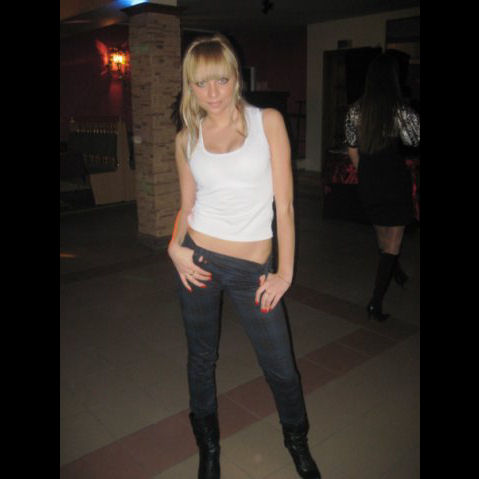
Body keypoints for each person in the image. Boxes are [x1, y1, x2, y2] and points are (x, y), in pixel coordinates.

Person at [167, 33, 321, 479]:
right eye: (200, 83)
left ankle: (297, 442)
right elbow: (187, 205)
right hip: (197, 261)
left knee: (281, 367)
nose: (212, 93)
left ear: (237, 77)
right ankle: (209, 448)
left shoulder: (266, 122)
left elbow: (284, 206)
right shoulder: (187, 137)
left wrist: (284, 274)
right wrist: (173, 246)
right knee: (201, 359)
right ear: (190, 86)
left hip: (253, 270)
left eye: (221, 80)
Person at [344, 53, 420, 321]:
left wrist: (365, 173)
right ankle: (375, 302)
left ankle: (395, 272)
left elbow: (352, 149)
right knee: (393, 241)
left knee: (382, 236)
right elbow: (415, 140)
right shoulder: (401, 111)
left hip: (370, 181)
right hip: (394, 181)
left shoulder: (356, 110)